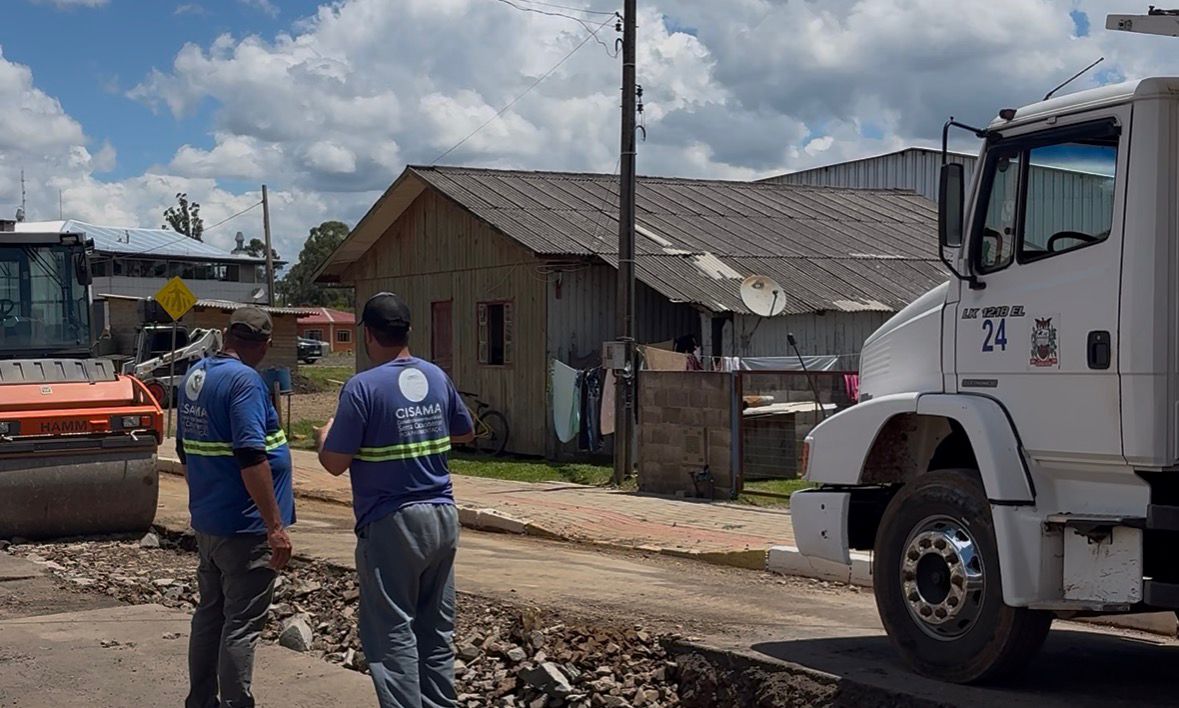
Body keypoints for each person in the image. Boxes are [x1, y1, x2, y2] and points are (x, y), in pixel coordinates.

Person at [315, 292, 474, 708]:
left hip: (392, 522)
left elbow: (334, 463)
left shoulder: (362, 388)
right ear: (408, 331)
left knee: (393, 633)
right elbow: (465, 430)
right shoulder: (436, 377)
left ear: (367, 334)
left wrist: (322, 437)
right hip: (442, 517)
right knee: (435, 632)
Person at [177, 306, 295, 708]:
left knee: (210, 614)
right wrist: (275, 526)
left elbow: (184, 449)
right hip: (244, 528)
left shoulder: (196, 374)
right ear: (262, 346)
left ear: (227, 336)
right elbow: (250, 454)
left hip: (210, 522)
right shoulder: (244, 380)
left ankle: (201, 701)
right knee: (241, 625)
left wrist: (205, 499)